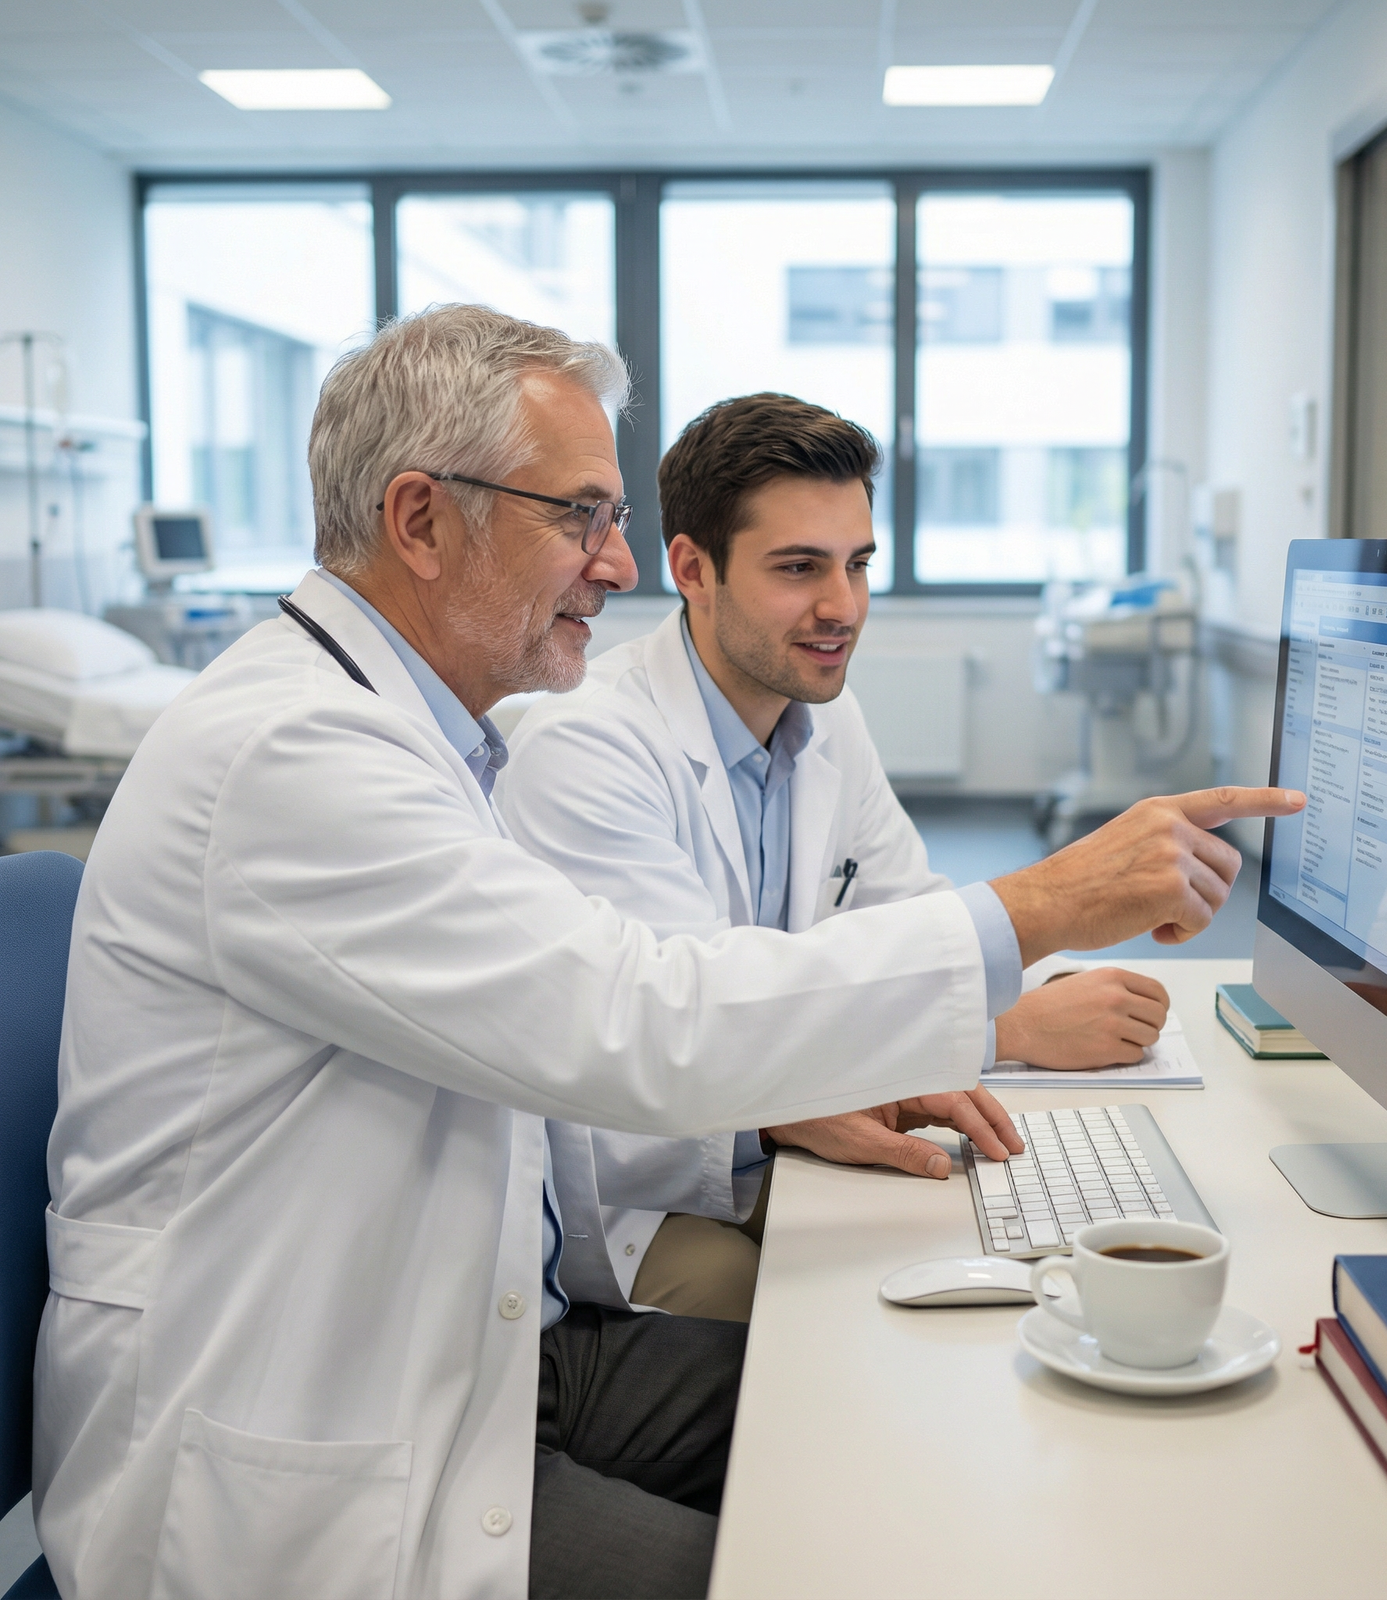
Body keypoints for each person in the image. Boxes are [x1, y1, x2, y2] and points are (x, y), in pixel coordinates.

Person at [37, 305, 1302, 1600]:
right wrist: (1040, 907)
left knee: (909, 1414)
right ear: (420, 521)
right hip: (299, 1458)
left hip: (479, 1351)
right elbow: (637, 1023)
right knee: (813, 1564)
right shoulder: (296, 758)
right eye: (578, 516)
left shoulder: (415, 738)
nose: (618, 563)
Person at [498, 392, 1174, 1321]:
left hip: (774, 1145)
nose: (842, 607)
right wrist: (1001, 1032)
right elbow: (686, 1042)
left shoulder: (823, 716)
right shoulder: (590, 747)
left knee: (964, 1241)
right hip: (636, 1195)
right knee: (824, 1321)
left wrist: (1023, 995)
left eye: (857, 565)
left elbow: (909, 911)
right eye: (798, 568)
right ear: (693, 568)